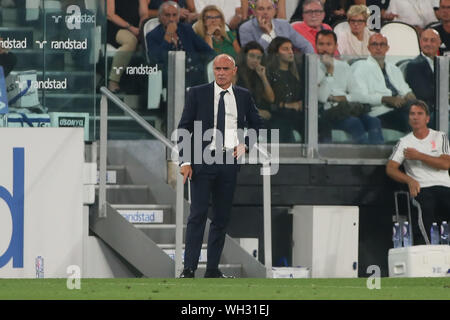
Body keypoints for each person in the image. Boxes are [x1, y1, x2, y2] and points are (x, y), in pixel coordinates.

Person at [177, 54, 263, 278]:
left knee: (222, 217)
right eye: (217, 69)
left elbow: (257, 124)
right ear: (212, 71)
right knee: (197, 215)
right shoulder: (197, 93)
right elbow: (184, 127)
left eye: (225, 68)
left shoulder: (243, 96)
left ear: (234, 70)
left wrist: (246, 145)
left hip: (228, 163)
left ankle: (212, 269)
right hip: (202, 161)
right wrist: (185, 161)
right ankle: (189, 269)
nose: (221, 73)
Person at [386, 100, 450, 245]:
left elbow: (446, 164)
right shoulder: (404, 142)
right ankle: (428, 254)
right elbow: (390, 168)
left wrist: (419, 156)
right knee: (424, 213)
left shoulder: (440, 137)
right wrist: (409, 180)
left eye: (420, 114)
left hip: (445, 187)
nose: (416, 117)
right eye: (412, 114)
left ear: (427, 118)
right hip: (422, 188)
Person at [316, 30, 383, 144]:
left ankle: (376, 156)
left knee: (374, 121)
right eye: (321, 44)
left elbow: (358, 94)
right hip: (326, 112)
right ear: (316, 45)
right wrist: (329, 72)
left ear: (335, 46)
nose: (325, 48)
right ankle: (361, 159)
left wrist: (343, 98)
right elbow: (321, 97)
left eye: (329, 44)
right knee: (354, 123)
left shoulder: (343, 66)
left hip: (345, 108)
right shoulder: (312, 65)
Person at [351, 33, 416, 133]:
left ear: (387, 48)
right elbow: (360, 97)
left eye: (382, 44)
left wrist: (410, 97)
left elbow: (406, 90)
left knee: (419, 110)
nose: (378, 48)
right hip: (379, 113)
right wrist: (386, 99)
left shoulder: (394, 69)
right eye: (374, 44)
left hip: (400, 108)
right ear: (368, 48)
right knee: (410, 116)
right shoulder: (360, 67)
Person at [146, 1, 215, 87]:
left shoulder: (187, 30)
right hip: (169, 76)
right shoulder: (152, 35)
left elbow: (208, 51)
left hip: (194, 72)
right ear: (160, 17)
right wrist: (168, 36)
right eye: (167, 15)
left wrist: (200, 64)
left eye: (174, 15)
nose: (171, 19)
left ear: (178, 17)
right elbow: (156, 60)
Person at [266, 37, 304, 143]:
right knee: (281, 125)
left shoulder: (298, 73)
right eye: (285, 49)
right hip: (278, 116)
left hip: (297, 115)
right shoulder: (269, 74)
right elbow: (269, 102)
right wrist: (286, 105)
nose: (290, 52)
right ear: (276, 53)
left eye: (291, 48)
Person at [238, 0, 314, 53]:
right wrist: (267, 34)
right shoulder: (245, 28)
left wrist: (311, 65)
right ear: (254, 12)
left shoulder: (284, 24)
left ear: (274, 11)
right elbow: (254, 55)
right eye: (261, 9)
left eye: (269, 8)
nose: (265, 12)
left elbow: (306, 45)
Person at [106, 0, 148, 93]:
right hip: (114, 27)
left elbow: (144, 13)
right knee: (131, 41)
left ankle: (142, 86)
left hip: (136, 29)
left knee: (148, 40)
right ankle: (113, 81)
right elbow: (110, 14)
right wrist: (130, 27)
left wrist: (141, 27)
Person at [405, 28, 441, 126]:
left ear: (439, 43)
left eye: (432, 40)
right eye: (425, 40)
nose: (428, 44)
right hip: (428, 111)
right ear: (420, 43)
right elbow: (424, 94)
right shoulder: (414, 65)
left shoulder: (443, 63)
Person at [235, 41, 275, 124]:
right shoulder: (235, 72)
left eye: (258, 58)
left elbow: (271, 99)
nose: (255, 60)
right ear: (244, 56)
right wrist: (256, 112)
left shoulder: (258, 73)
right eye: (252, 56)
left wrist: (263, 77)